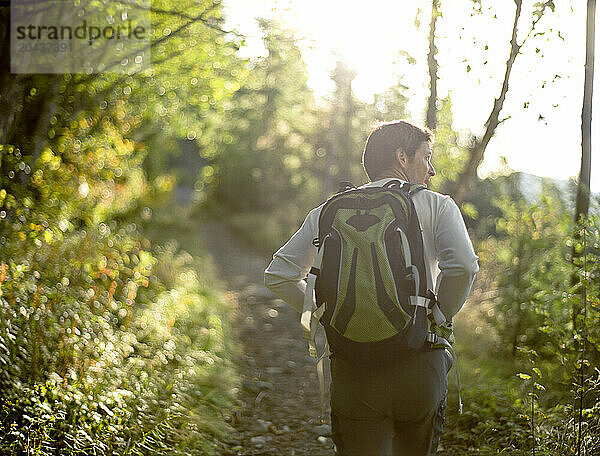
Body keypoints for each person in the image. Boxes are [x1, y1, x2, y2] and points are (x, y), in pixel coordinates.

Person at [264, 120, 479, 456]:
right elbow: (464, 267)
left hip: (353, 366)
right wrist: (437, 314)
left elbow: (279, 274)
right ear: (402, 157)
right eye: (427, 156)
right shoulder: (436, 205)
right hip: (419, 363)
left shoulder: (327, 212)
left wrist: (325, 314)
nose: (432, 170)